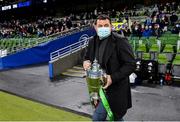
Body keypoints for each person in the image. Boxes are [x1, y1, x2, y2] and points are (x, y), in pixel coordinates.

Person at [83, 14, 135, 121]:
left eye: (106, 25)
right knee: (99, 117)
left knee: (114, 117)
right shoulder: (92, 41)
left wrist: (112, 78)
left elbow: (130, 64)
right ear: (95, 27)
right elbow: (87, 57)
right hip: (98, 89)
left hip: (116, 89)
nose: (103, 28)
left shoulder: (120, 41)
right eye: (100, 26)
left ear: (111, 26)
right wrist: (85, 62)